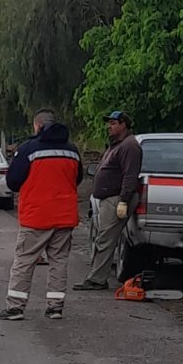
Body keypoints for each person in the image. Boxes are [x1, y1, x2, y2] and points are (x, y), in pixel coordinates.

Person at [0, 109, 83, 321]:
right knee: (59, 261)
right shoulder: (72, 151)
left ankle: (16, 307)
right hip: (64, 215)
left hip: (36, 216)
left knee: (24, 261)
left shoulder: (28, 149)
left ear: (38, 126)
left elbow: (13, 181)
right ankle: (55, 307)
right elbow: (78, 178)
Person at [73, 110, 143, 291]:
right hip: (108, 198)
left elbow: (130, 176)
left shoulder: (130, 146)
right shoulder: (117, 145)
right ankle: (96, 276)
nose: (109, 127)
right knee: (103, 237)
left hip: (116, 199)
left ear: (123, 125)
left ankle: (97, 279)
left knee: (105, 239)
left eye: (113, 123)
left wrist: (124, 200)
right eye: (109, 123)